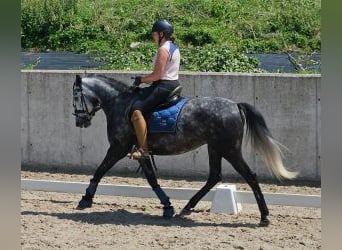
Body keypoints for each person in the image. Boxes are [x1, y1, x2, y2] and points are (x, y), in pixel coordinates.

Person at [129, 19, 181, 159]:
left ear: (161, 34)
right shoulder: (173, 47)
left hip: (164, 86)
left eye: (154, 34)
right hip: (172, 84)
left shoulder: (163, 49)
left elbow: (157, 75)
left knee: (136, 111)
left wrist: (141, 80)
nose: (153, 37)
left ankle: (143, 149)